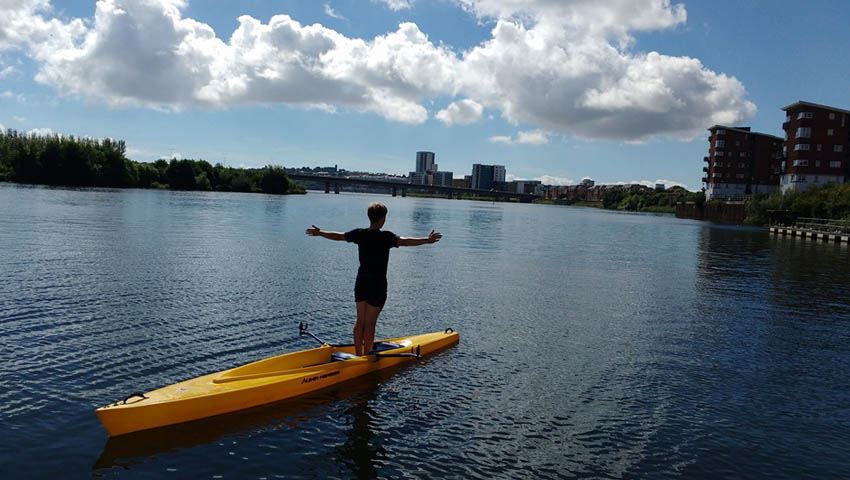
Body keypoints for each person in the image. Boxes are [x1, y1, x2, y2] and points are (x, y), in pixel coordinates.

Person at [305, 202, 442, 356]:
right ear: (382, 219)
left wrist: (320, 232)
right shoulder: (386, 237)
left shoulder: (360, 234)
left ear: (370, 217)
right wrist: (427, 240)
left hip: (361, 283)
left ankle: (358, 355)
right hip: (377, 286)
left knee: (360, 322)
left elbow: (339, 236)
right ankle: (367, 357)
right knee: (370, 324)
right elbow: (406, 241)